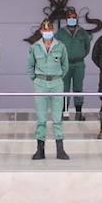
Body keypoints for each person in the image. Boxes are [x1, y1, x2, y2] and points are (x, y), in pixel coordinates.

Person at [27, 19, 70, 160]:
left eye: (49, 30)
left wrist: (57, 77)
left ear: (53, 31)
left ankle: (60, 150)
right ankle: (40, 150)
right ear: (41, 31)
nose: (47, 32)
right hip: (40, 83)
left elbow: (65, 66)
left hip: (57, 83)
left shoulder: (60, 46)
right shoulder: (35, 47)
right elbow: (30, 66)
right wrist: (37, 79)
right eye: (45, 30)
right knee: (41, 118)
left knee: (57, 118)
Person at [58, 6, 92, 121]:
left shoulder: (82, 32)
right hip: (65, 64)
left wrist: (79, 55)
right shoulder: (60, 33)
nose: (72, 19)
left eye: (74, 17)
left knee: (78, 88)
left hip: (79, 64)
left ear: (76, 18)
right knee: (64, 89)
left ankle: (78, 113)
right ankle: (65, 113)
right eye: (69, 17)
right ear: (66, 19)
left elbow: (87, 48)